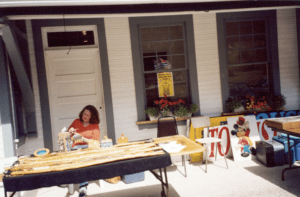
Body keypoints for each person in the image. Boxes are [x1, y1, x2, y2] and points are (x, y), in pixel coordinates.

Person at [68, 105, 100, 197]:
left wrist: (83, 139)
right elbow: (68, 133)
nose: (84, 116)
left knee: (82, 160)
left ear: (92, 117)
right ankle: (82, 185)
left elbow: (96, 142)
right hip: (75, 148)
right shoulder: (76, 121)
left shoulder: (94, 126)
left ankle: (83, 187)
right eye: (84, 113)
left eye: (87, 115)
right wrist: (71, 131)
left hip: (88, 149)